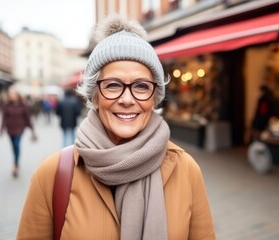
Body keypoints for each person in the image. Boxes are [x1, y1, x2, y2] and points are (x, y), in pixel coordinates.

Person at [17, 15, 215, 239]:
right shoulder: (52, 175)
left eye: (141, 86)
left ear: (155, 97)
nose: (127, 99)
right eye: (113, 85)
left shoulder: (186, 170)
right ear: (95, 96)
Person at [0, 89, 36, 177]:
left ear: (17, 95)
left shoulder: (23, 105)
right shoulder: (6, 105)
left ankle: (16, 164)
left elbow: (27, 117)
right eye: (10, 94)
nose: (11, 96)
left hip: (20, 129)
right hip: (10, 129)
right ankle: (16, 161)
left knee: (16, 145)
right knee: (13, 146)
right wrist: (1, 129)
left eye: (13, 94)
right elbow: (4, 118)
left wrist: (32, 129)